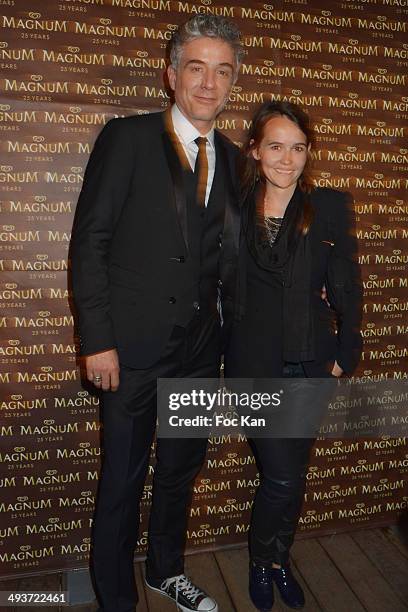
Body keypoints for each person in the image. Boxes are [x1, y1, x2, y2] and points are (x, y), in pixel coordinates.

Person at [70, 15, 243, 612]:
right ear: (171, 75)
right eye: (196, 67)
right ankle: (115, 597)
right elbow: (90, 241)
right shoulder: (127, 137)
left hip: (200, 352)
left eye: (222, 71)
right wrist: (98, 340)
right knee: (121, 480)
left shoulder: (237, 158)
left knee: (178, 474)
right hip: (131, 350)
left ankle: (166, 571)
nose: (208, 83)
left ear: (233, 82)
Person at [224, 101, 362, 611]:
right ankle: (265, 561)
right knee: (281, 473)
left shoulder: (326, 205)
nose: (287, 159)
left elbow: (346, 283)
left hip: (312, 363)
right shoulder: (232, 209)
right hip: (254, 364)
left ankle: (278, 559)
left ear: (309, 153)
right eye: (275, 146)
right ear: (256, 151)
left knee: (292, 473)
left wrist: (345, 354)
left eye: (298, 148)